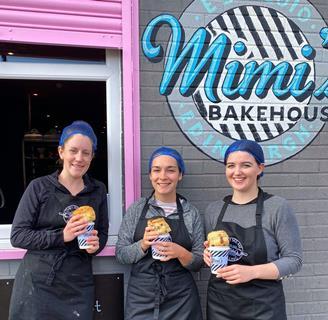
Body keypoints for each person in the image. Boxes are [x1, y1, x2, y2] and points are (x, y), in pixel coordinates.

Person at [9, 120, 109, 320]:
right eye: (73, 150)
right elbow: (18, 236)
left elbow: (103, 233)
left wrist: (95, 246)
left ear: (92, 156)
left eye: (86, 153)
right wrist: (62, 235)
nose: (79, 158)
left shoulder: (98, 190)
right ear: (61, 152)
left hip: (77, 284)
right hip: (37, 283)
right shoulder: (39, 187)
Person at [204, 139, 303, 320]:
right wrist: (207, 256)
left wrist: (251, 272)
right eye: (231, 165)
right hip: (220, 305)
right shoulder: (214, 210)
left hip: (264, 307)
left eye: (246, 165)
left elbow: (294, 260)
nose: (237, 172)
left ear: (260, 168)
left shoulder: (277, 207)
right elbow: (214, 255)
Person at [116, 146, 204, 320]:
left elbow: (199, 262)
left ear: (180, 175)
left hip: (182, 298)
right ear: (150, 175)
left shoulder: (190, 213)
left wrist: (180, 253)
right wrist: (143, 244)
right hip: (141, 296)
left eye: (170, 170)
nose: (163, 176)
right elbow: (121, 254)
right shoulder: (137, 210)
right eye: (157, 170)